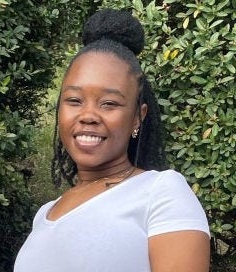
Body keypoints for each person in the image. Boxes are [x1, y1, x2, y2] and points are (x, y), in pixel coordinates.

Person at [14, 9, 210, 272]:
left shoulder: (161, 194)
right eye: (74, 100)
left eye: (109, 103)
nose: (88, 116)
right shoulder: (45, 214)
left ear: (137, 118)